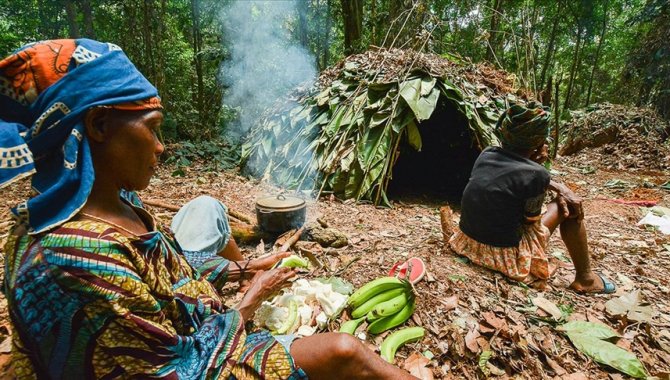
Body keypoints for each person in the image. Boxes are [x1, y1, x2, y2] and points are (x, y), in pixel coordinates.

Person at [0, 39, 416, 379]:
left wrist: (244, 270)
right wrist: (246, 304)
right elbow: (179, 371)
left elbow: (170, 271)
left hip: (202, 329)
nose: (161, 148)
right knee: (344, 351)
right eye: (153, 128)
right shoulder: (73, 260)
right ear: (99, 125)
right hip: (200, 354)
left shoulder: (117, 200)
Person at [447, 103, 615, 294]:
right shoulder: (537, 174)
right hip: (501, 256)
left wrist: (550, 182)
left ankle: (586, 278)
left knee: (552, 201)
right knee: (567, 205)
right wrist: (542, 177)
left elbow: (514, 174)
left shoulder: (487, 154)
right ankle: (586, 279)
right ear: (539, 142)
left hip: (467, 242)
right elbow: (530, 223)